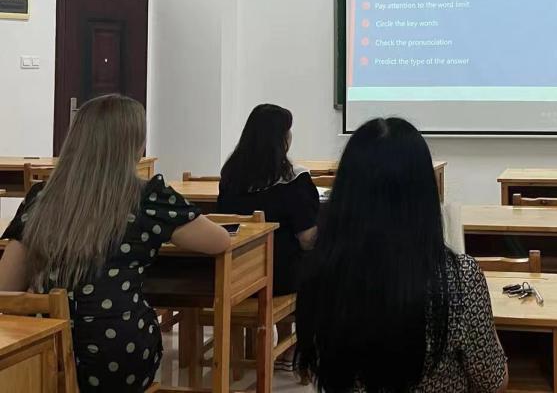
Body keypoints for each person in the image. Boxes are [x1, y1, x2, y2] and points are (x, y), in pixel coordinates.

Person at [0, 94, 230, 393]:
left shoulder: (42, 197)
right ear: (136, 146)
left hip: (45, 353)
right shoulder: (148, 197)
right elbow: (219, 240)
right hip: (118, 357)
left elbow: (5, 287)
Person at [295, 117, 508, 393]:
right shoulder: (459, 278)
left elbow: (317, 367)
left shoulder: (321, 271)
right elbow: (493, 381)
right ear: (425, 193)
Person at [217, 104, 319, 296]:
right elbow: (307, 239)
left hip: (235, 276)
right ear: (281, 140)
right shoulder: (294, 180)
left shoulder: (230, 176)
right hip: (280, 278)